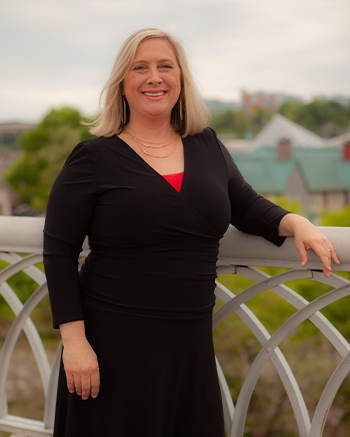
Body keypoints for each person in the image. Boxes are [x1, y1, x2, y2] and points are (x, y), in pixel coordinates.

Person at [43, 28, 340, 437]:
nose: (154, 77)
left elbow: (247, 206)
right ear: (122, 84)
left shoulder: (206, 144)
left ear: (181, 79)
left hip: (189, 345)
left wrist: (298, 222)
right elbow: (58, 252)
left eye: (166, 66)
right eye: (140, 67)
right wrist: (75, 344)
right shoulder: (93, 158)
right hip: (112, 345)